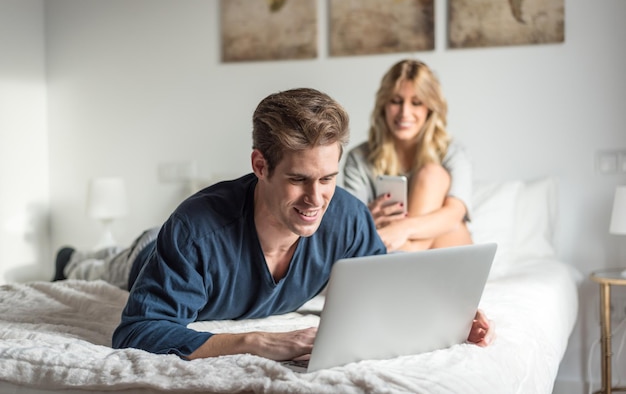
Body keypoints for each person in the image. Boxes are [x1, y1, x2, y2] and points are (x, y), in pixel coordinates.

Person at [54, 87, 493, 362]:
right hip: (149, 252)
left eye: (327, 178)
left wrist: (448, 315)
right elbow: (135, 330)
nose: (316, 199)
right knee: (103, 267)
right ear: (260, 165)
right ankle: (73, 259)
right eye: (298, 180)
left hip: (187, 244)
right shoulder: (194, 231)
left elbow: (385, 292)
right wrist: (255, 342)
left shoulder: (348, 216)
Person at [343, 59, 473, 253]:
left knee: (432, 174)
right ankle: (408, 260)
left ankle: (406, 259)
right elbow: (352, 228)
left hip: (431, 248)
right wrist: (368, 216)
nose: (405, 112)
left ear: (429, 109)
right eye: (396, 101)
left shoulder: (452, 152)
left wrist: (401, 229)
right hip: (394, 246)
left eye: (416, 103)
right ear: (383, 105)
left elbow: (454, 214)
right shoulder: (358, 158)